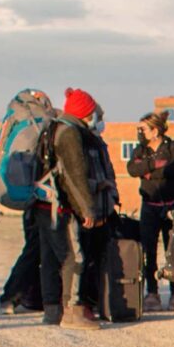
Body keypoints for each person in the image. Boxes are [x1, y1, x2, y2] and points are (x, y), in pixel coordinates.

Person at [42, 89, 117, 328]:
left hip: (46, 204)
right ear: (85, 112)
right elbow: (76, 176)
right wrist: (88, 210)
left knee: (53, 258)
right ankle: (73, 312)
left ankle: (55, 311)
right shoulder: (70, 134)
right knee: (75, 258)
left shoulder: (56, 128)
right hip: (61, 207)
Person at [0, 89, 60, 316]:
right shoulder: (47, 123)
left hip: (29, 195)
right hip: (41, 199)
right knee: (35, 251)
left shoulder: (19, 122)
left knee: (34, 250)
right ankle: (10, 296)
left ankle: (24, 294)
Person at [126, 109, 174, 313]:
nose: (140, 133)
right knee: (148, 252)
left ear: (155, 131)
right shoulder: (140, 152)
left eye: (143, 129)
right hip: (149, 207)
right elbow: (132, 169)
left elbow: (173, 169)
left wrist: (149, 172)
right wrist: (152, 164)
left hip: (172, 206)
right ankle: (152, 293)